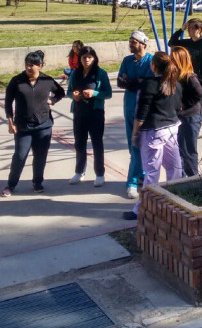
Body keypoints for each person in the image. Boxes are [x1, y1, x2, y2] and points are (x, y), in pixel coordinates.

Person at [123, 51, 183, 220]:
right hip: (172, 128)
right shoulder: (175, 84)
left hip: (153, 132)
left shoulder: (149, 84)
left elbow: (140, 113)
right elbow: (178, 107)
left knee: (151, 172)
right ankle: (175, 203)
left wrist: (135, 133)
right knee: (175, 167)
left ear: (153, 66)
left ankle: (141, 209)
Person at [1, 50, 65, 197]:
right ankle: (11, 185)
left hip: (44, 125)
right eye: (27, 65)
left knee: (40, 156)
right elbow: (8, 101)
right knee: (20, 155)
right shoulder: (17, 81)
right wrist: (10, 121)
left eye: (33, 65)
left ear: (40, 66)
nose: (29, 68)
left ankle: (37, 182)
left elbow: (60, 92)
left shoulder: (47, 81)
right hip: (23, 125)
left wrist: (52, 101)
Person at [117, 31, 154, 199]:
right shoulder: (127, 60)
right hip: (129, 107)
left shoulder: (151, 60)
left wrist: (131, 82)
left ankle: (132, 181)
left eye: (134, 42)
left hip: (144, 109)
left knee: (141, 144)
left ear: (143, 44)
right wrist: (135, 82)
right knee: (133, 145)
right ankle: (139, 175)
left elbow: (148, 84)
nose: (130, 44)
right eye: (130, 41)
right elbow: (120, 81)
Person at [68, 46, 112, 186]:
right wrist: (73, 96)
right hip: (79, 112)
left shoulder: (100, 74)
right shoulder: (75, 73)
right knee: (79, 143)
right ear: (80, 59)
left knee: (97, 143)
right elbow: (69, 91)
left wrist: (95, 94)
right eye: (83, 57)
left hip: (95, 113)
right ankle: (79, 171)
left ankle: (100, 173)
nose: (86, 60)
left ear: (94, 58)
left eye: (89, 57)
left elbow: (108, 93)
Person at [169, 18, 202, 147]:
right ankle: (193, 136)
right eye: (188, 28)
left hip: (201, 84)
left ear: (198, 30)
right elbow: (171, 42)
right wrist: (181, 29)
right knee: (190, 111)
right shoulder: (186, 43)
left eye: (191, 28)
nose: (189, 31)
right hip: (187, 83)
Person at [170, 46, 202, 177]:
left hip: (191, 118)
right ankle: (184, 177)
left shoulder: (190, 77)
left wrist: (184, 105)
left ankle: (192, 180)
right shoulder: (177, 76)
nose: (170, 61)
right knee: (181, 150)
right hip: (181, 118)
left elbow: (200, 94)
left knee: (188, 151)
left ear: (180, 60)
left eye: (173, 59)